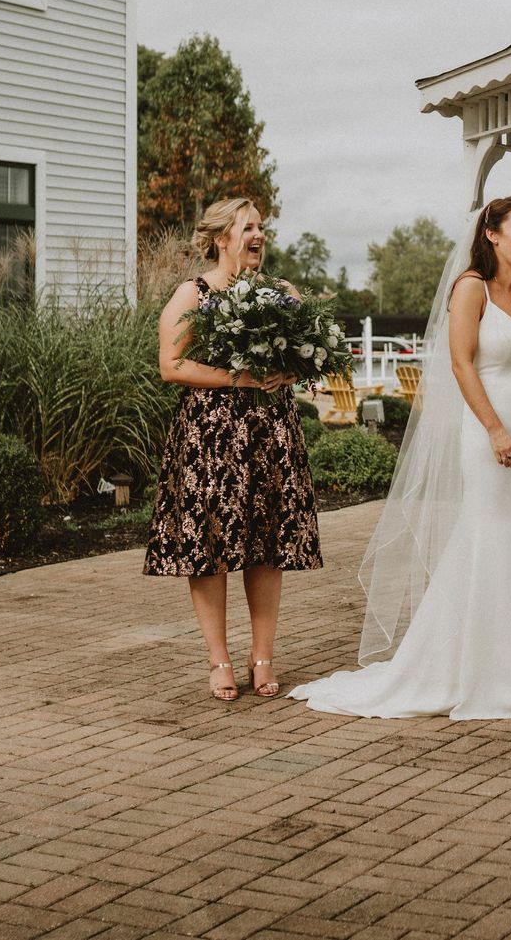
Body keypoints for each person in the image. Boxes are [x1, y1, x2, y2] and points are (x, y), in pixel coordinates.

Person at [290, 195, 511, 720]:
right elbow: (460, 363)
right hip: (491, 429)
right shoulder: (470, 287)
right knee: (490, 539)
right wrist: (494, 428)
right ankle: (479, 671)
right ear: (492, 233)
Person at [144, 197, 321, 702]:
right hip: (211, 436)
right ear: (222, 238)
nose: (258, 235)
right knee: (211, 546)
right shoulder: (193, 293)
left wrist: (291, 370)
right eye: (248, 227)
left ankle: (262, 655)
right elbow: (171, 365)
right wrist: (238, 379)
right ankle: (218, 658)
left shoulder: (281, 293)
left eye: (261, 227)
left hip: (271, 433)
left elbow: (307, 355)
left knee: (268, 543)